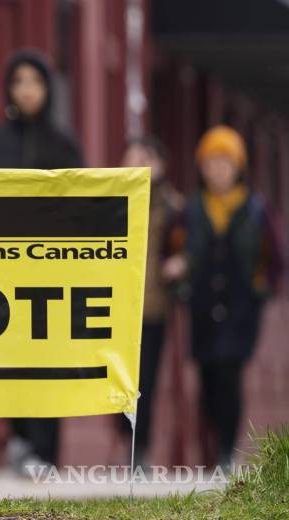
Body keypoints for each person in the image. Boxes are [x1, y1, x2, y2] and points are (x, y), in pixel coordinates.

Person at [0, 49, 83, 476]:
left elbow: (81, 208)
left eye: (34, 82)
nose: (26, 90)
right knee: (10, 359)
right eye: (18, 82)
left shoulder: (64, 145)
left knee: (49, 362)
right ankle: (19, 438)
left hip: (51, 274)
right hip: (2, 272)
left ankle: (46, 451)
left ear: (48, 89)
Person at [163, 125, 282, 469]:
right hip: (201, 305)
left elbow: (275, 258)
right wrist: (179, 282)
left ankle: (227, 451)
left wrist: (262, 288)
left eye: (224, 162)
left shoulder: (256, 209)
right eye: (211, 163)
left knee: (230, 376)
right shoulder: (192, 209)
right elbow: (171, 249)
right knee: (207, 377)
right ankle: (211, 447)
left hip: (240, 307)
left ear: (238, 166)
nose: (217, 170)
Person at [119, 136, 183, 464]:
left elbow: (186, 245)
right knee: (116, 379)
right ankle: (124, 439)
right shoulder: (110, 199)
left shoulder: (171, 205)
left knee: (146, 383)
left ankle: (138, 449)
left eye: (146, 159)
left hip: (152, 306)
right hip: (112, 308)